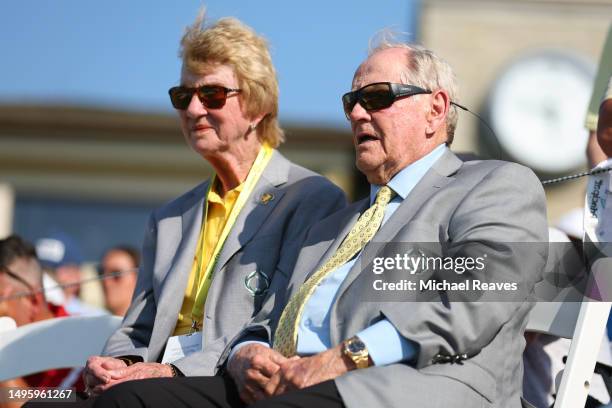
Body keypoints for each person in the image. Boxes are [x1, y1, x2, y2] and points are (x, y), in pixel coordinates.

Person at [87, 40, 549, 408]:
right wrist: (247, 354)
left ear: (435, 109)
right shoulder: (338, 222)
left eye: (376, 98)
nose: (356, 114)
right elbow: (264, 319)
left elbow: (472, 303)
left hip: (409, 387)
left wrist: (341, 360)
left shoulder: (493, 186)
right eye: (352, 102)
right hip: (293, 385)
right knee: (128, 399)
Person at [81, 9, 346, 397]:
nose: (192, 109)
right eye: (183, 95)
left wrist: (172, 370)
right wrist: (118, 365)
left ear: (257, 107)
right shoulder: (170, 217)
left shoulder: (310, 198)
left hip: (230, 383)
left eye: (212, 94)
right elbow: (137, 329)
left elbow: (281, 321)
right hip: (149, 387)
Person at [98, 245, 139, 316]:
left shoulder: (156, 325)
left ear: (138, 279)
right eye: (101, 273)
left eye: (116, 274)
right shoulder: (93, 323)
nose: (106, 282)